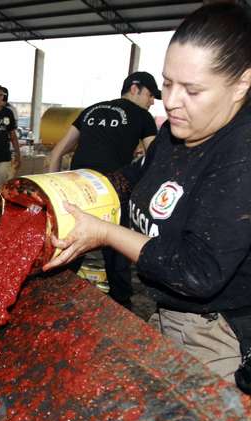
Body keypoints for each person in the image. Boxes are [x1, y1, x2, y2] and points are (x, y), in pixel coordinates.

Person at [43, 3, 251, 421]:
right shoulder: (177, 131)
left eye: (192, 90)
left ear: (240, 84)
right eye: (167, 84)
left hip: (222, 336)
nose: (172, 102)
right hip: (170, 316)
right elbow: (130, 180)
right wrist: (64, 194)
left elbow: (197, 271)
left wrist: (103, 232)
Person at [48, 72, 159, 309]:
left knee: (70, 242)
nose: (152, 102)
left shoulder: (91, 109)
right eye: (151, 95)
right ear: (135, 89)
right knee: (116, 248)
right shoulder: (142, 116)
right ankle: (121, 304)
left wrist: (54, 193)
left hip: (76, 187)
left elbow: (58, 152)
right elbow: (156, 158)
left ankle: (52, 296)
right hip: (111, 190)